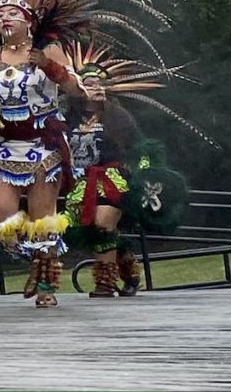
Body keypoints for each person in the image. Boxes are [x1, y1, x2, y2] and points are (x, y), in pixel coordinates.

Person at [0, 0, 170, 308]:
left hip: (42, 145)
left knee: (42, 219)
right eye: (1, 15)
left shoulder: (47, 52)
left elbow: (76, 89)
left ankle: (47, 284)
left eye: (12, 14)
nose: (5, 19)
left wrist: (49, 67)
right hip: (6, 147)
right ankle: (32, 259)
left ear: (28, 22)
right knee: (1, 215)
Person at [62, 42, 196, 298]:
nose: (97, 88)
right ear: (78, 90)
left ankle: (105, 283)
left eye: (101, 84)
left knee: (103, 223)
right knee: (97, 229)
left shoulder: (118, 116)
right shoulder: (67, 118)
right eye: (90, 84)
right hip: (81, 182)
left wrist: (146, 175)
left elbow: (142, 148)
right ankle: (129, 269)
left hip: (114, 179)